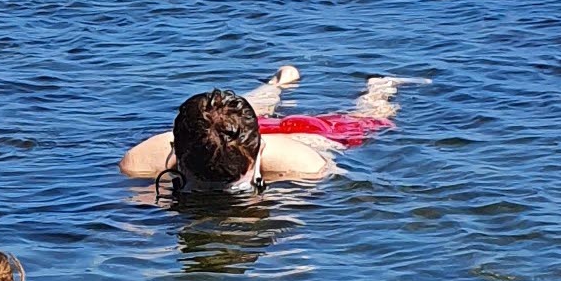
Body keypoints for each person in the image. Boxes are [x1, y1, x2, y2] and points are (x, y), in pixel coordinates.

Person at [118, 64, 409, 191]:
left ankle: (379, 88)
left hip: (312, 137)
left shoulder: (305, 165)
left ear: (175, 148)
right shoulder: (142, 160)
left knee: (369, 117)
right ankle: (278, 83)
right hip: (242, 134)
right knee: (227, 118)